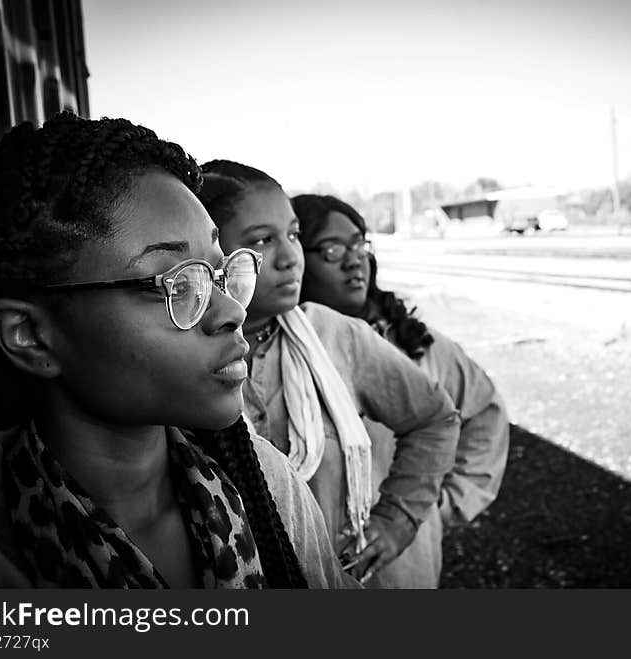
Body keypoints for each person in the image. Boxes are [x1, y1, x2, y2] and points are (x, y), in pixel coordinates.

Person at [0, 114, 356, 589]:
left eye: (218, 273)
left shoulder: (264, 484)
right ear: (29, 333)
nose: (231, 312)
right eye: (175, 283)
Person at [196, 161, 461, 587]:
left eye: (295, 235)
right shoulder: (180, 356)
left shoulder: (333, 335)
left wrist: (396, 521)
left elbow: (435, 419)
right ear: (211, 252)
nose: (289, 257)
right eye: (263, 240)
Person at [292, 193, 509, 587]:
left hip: (404, 573)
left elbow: (484, 413)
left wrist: (439, 505)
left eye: (360, 243)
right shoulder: (277, 357)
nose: (354, 258)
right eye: (333, 248)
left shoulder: (416, 346)